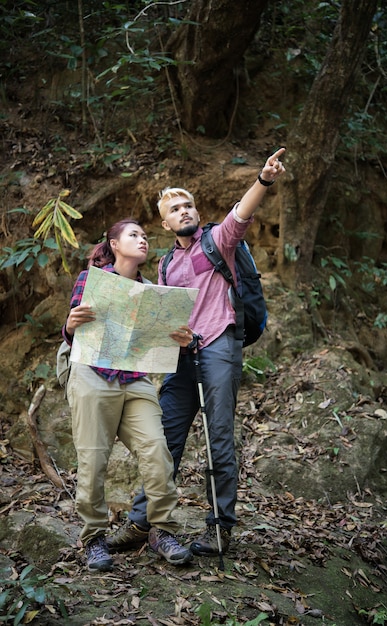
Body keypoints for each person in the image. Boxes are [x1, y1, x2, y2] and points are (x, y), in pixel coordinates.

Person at [106, 149, 286, 557]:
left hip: (220, 347)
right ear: (165, 222)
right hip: (180, 357)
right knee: (164, 440)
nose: (184, 211)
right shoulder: (167, 265)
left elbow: (240, 213)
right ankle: (140, 522)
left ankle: (219, 529)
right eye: (175, 208)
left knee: (218, 438)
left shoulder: (217, 241)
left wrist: (264, 179)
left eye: (188, 205)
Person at [63, 218, 196, 572]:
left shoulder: (152, 291)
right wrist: (70, 325)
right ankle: (93, 539)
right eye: (133, 235)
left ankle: (161, 530)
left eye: (144, 235)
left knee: (157, 449)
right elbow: (73, 332)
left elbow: (159, 347)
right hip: (93, 375)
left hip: (135, 380)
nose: (142, 240)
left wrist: (182, 342)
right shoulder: (91, 280)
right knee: (93, 460)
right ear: (114, 243)